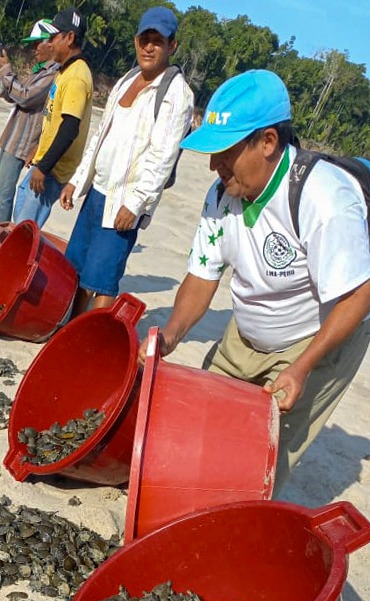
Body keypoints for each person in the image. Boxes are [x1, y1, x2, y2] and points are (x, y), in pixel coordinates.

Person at [142, 69, 370, 493]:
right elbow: (202, 273)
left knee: (256, 458)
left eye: (224, 152)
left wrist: (302, 368)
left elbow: (357, 297)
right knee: (203, 425)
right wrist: (171, 334)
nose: (213, 165)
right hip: (248, 329)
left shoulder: (322, 196)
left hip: (316, 337)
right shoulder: (221, 194)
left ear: (267, 142)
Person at [59, 7, 193, 312]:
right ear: (136, 41)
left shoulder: (177, 94)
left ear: (172, 46)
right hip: (97, 192)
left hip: (124, 201)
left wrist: (135, 204)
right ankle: (71, 329)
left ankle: (90, 338)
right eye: (144, 39)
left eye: (158, 40)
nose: (149, 47)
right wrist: (77, 181)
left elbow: (162, 158)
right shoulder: (126, 79)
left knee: (103, 280)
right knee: (79, 269)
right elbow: (100, 136)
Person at [12, 7, 93, 227]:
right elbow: (54, 119)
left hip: (52, 170)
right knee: (20, 216)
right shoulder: (65, 70)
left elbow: (69, 129)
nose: (50, 43)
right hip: (44, 162)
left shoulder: (77, 76)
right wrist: (37, 149)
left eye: (54, 37)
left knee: (25, 228)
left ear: (69, 38)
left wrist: (44, 168)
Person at [0, 21, 59, 228]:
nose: (32, 49)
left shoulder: (52, 74)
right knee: (0, 192)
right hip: (14, 137)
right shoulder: (41, 70)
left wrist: (7, 71)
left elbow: (25, 97)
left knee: (2, 194)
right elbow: (15, 95)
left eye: (37, 44)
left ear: (51, 44)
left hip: (22, 141)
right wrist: (4, 72)